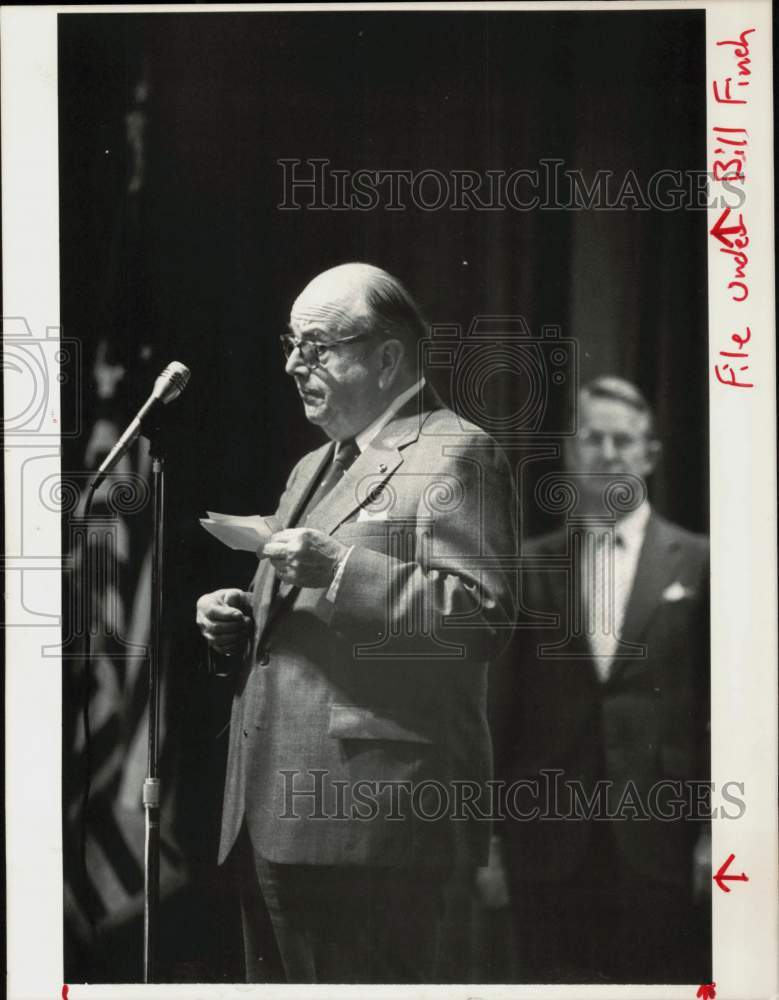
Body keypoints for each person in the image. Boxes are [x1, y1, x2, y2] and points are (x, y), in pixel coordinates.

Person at [196, 263, 516, 984]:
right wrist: (235, 623)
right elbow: (293, 630)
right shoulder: (312, 466)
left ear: (386, 356)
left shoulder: (455, 451)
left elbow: (480, 619)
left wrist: (341, 571)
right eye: (290, 343)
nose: (291, 364)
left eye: (315, 347)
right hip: (270, 809)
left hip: (372, 824)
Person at [484, 375, 710, 983]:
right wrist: (491, 846)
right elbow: (497, 713)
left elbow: (720, 711)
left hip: (660, 837)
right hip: (544, 838)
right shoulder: (528, 564)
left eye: (624, 440)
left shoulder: (701, 561)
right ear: (570, 452)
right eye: (594, 439)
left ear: (651, 455)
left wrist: (713, 835)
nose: (609, 454)